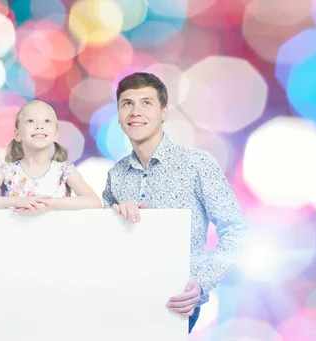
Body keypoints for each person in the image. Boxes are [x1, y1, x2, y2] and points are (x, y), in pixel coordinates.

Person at [102, 72, 246, 333]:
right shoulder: (115, 176)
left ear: (164, 112)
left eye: (146, 103)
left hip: (175, 305)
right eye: (127, 103)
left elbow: (235, 231)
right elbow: (104, 243)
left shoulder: (196, 165)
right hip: (122, 302)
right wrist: (112, 218)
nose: (136, 111)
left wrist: (201, 282)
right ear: (119, 115)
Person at [0, 100, 101, 212]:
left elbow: (94, 202)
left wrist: (50, 203)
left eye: (47, 121)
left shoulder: (65, 171)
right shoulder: (6, 171)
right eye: (30, 121)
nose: (39, 126)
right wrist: (16, 201)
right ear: (17, 134)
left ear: (55, 135)